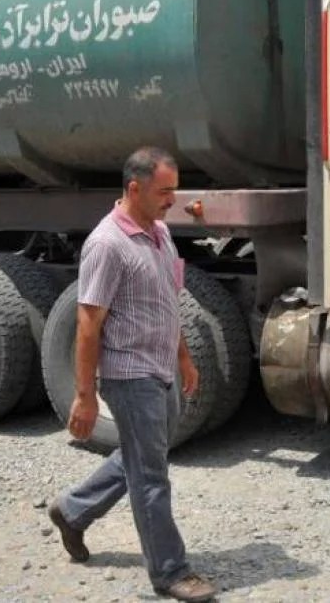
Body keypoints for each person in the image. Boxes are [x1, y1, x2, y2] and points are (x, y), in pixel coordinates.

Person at [47, 147, 217, 602]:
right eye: (164, 192)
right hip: (129, 374)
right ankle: (170, 572)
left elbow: (168, 302)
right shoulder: (107, 244)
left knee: (146, 458)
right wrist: (84, 395)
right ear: (134, 188)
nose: (172, 200)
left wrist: (183, 357)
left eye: (174, 190)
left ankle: (73, 510)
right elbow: (88, 323)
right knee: (151, 475)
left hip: (162, 367)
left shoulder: (160, 233)